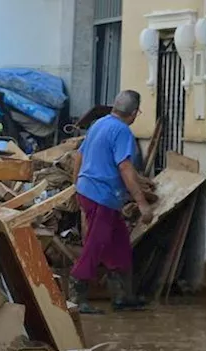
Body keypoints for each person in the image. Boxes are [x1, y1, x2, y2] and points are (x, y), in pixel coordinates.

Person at [70, 90, 154, 314]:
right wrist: (142, 202)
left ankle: (122, 295)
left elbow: (79, 155)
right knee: (95, 245)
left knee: (119, 244)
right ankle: (77, 294)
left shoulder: (99, 123)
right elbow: (125, 167)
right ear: (134, 113)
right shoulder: (122, 131)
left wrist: (75, 184)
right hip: (102, 196)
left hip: (91, 191)